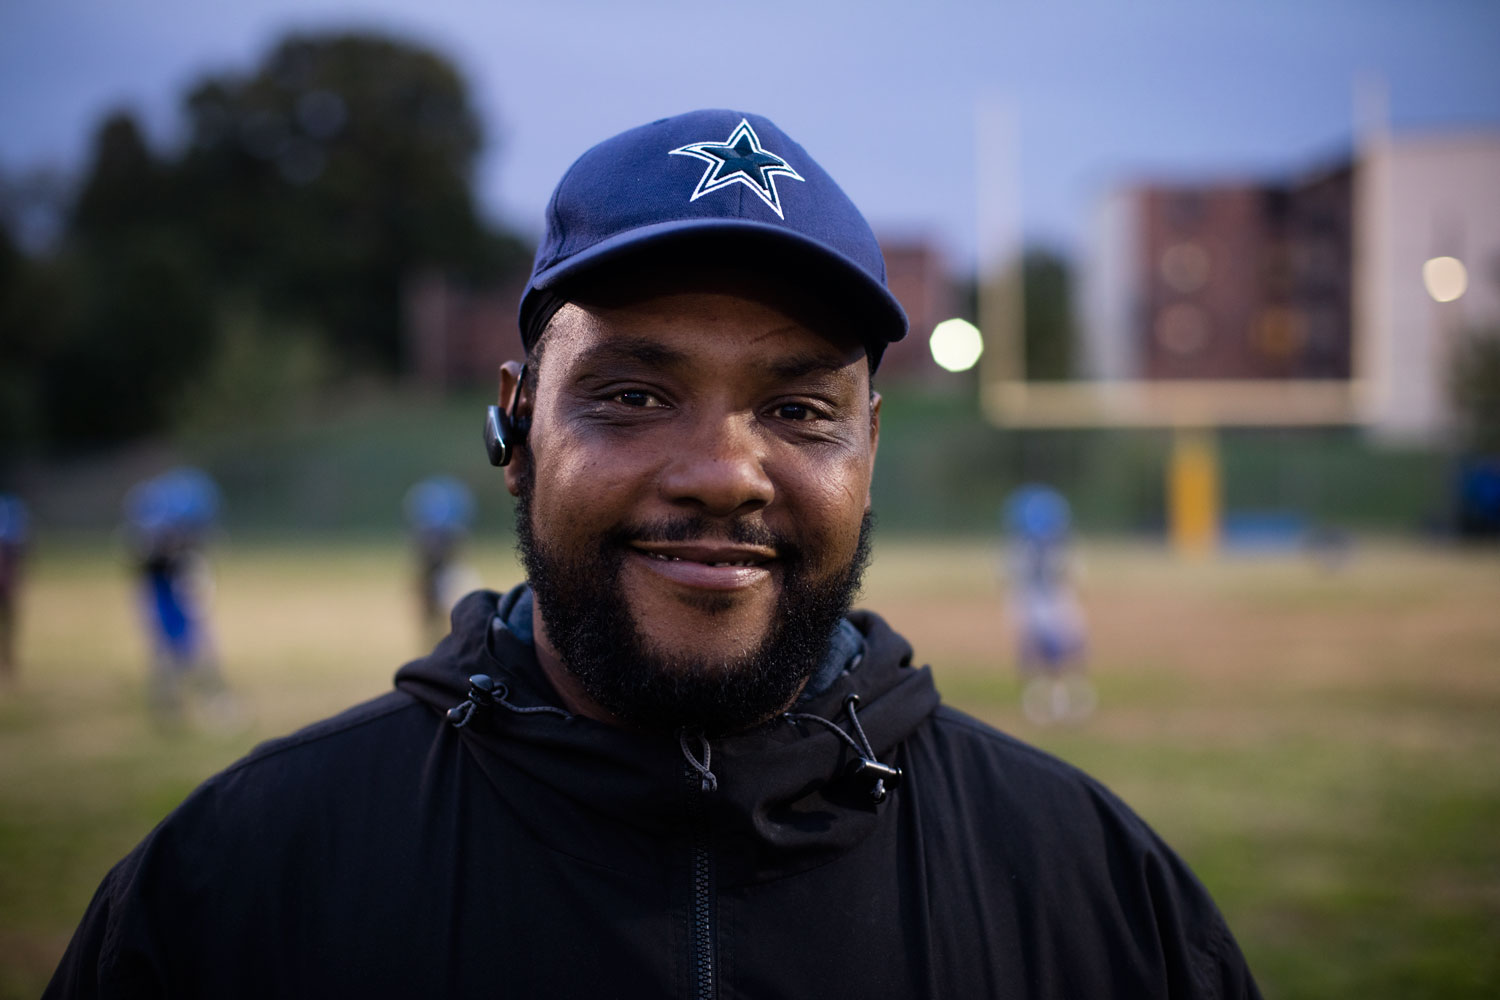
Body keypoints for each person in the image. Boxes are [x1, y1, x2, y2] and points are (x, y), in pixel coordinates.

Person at [48, 110, 1261, 998]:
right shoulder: (242, 884)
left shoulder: (1090, 892)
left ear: (871, 449)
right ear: (515, 427)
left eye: (798, 408)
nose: (723, 471)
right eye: (631, 394)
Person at [122, 468, 230, 722]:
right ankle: (173, 696)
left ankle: (201, 691)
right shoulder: (159, 506)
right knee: (167, 641)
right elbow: (140, 552)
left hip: (179, 579)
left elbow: (200, 543)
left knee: (195, 636)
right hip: (159, 583)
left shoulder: (183, 500)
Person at [1002, 484, 1095, 723]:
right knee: (1061, 655)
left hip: (1040, 606)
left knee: (1048, 657)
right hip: (1050, 606)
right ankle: (1059, 700)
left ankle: (1051, 701)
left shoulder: (1019, 549)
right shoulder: (1055, 548)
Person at [403, 475, 480, 642]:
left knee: (448, 613)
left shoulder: (445, 536)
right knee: (432, 617)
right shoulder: (428, 538)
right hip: (432, 578)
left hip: (444, 577)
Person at [0, 493, 28, 685]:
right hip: (7, 580)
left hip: (6, 582)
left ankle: (9, 667)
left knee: (9, 624)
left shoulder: (11, 506)